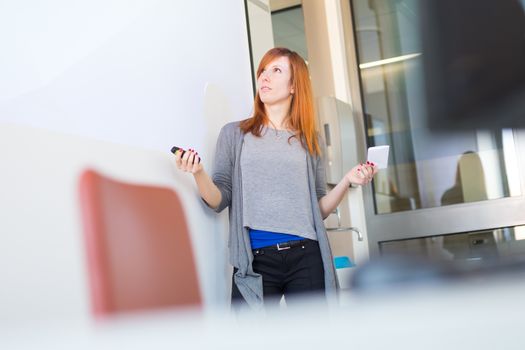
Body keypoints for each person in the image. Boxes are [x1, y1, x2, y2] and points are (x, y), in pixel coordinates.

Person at [174, 47, 377, 310]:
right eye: (262, 71)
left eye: (276, 70)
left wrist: (346, 181)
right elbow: (219, 199)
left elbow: (318, 210)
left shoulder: (310, 140)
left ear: (294, 86)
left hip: (306, 255)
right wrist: (198, 172)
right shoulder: (234, 134)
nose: (264, 77)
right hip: (255, 260)